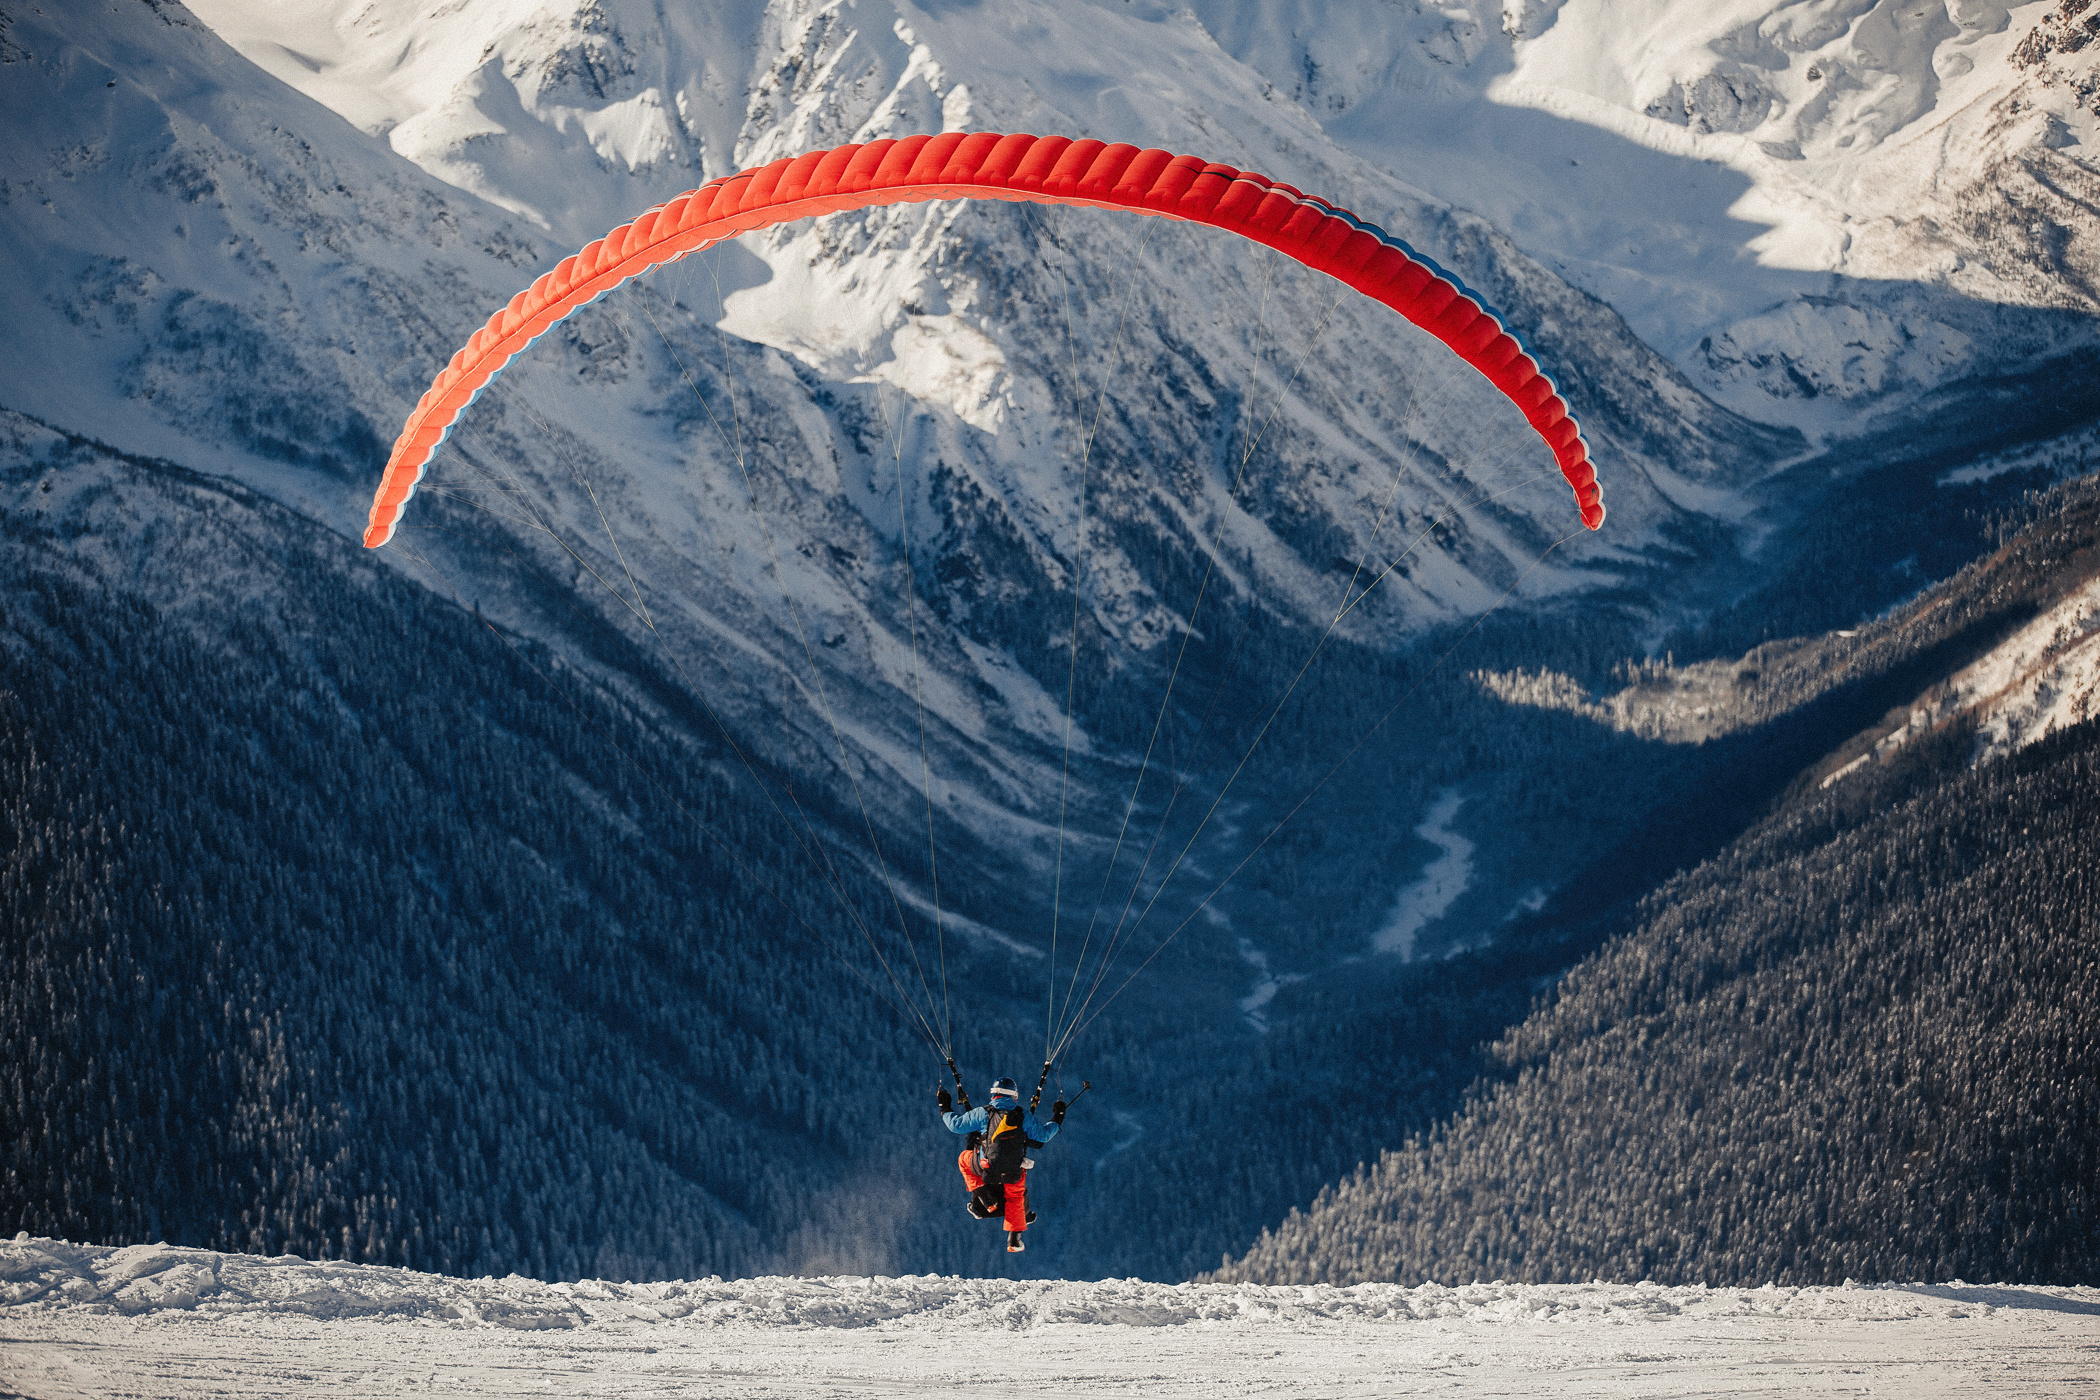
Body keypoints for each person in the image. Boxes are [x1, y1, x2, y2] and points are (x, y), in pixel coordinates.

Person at [937, 1076, 1065, 1253]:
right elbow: (1043, 1135)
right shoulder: (1023, 1116)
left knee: (963, 1159)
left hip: (985, 1167)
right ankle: (1014, 1239)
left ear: (993, 1095)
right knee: (1015, 1195)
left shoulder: (983, 1113)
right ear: (1014, 1097)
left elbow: (956, 1125)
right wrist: (1057, 1118)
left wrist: (945, 1108)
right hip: (1014, 1170)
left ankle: (982, 1195)